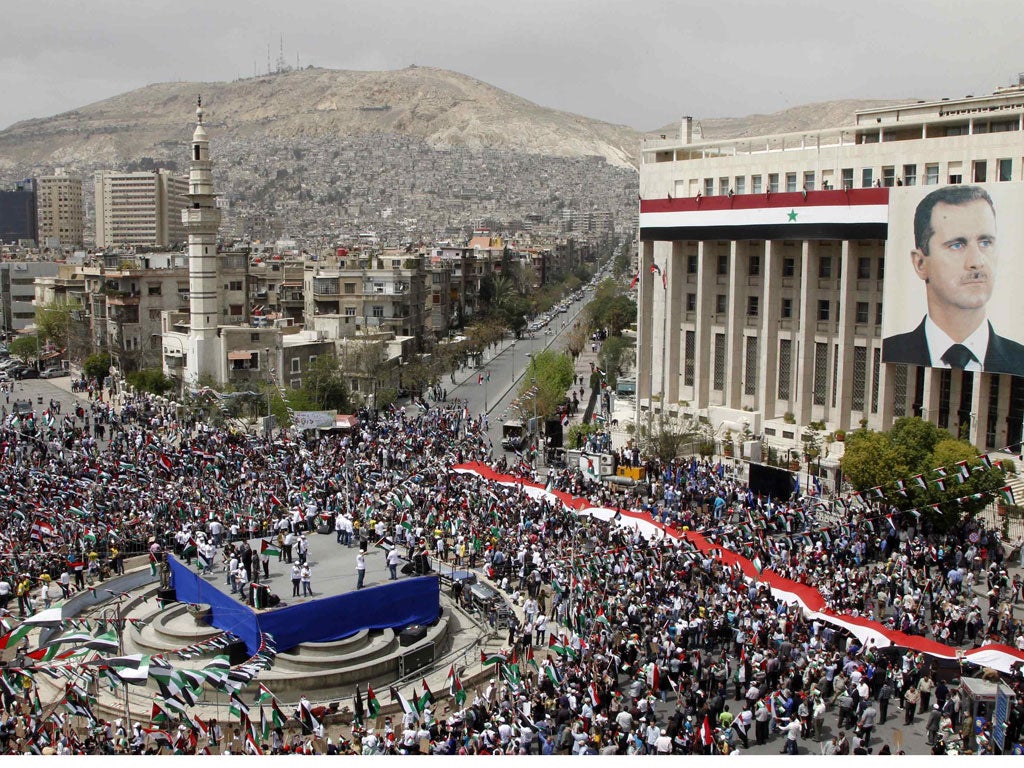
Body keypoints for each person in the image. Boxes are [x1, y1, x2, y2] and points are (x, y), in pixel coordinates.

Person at [882, 185, 1024, 376]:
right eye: (957, 245)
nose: (976, 261)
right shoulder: (892, 350)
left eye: (985, 242)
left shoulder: (1019, 360)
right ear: (920, 263)